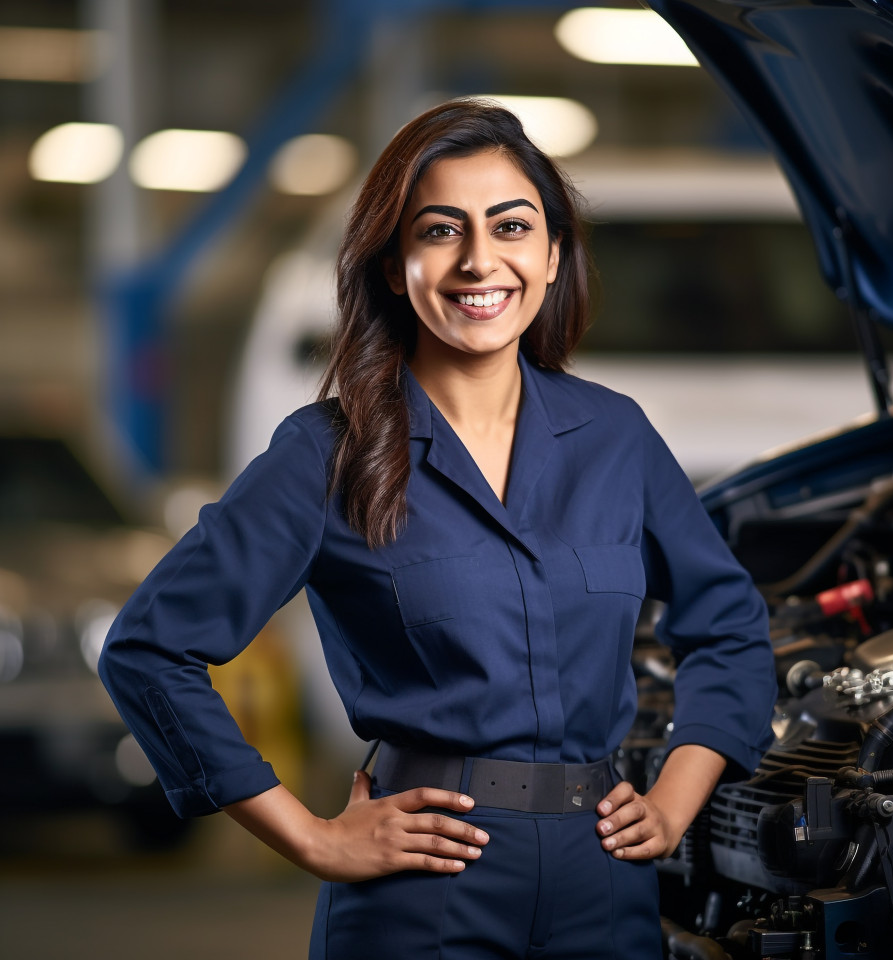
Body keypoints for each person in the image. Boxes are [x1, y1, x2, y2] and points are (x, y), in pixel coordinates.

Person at [99, 98, 777, 959]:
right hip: (427, 884)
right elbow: (149, 647)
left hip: (603, 877)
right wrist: (310, 836)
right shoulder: (327, 454)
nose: (479, 261)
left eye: (511, 227)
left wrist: (678, 797)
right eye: (440, 231)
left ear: (554, 253)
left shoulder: (616, 437)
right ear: (393, 267)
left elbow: (729, 625)